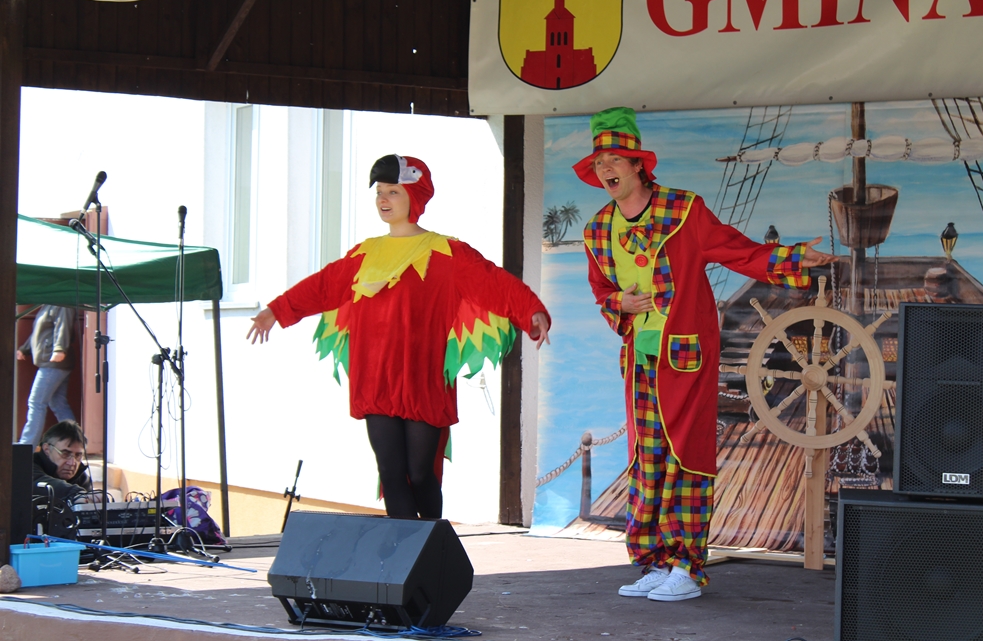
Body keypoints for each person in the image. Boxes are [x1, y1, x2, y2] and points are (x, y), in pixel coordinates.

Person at [573, 108, 837, 602]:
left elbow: (739, 252)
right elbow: (601, 289)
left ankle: (686, 567)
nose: (606, 168)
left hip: (686, 357)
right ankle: (654, 560)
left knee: (686, 458)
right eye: (599, 161)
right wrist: (619, 303)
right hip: (641, 363)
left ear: (637, 165)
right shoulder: (598, 229)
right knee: (646, 459)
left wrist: (793, 257)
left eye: (615, 159)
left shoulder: (682, 210)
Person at [248, 154, 550, 519]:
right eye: (379, 192)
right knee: (391, 473)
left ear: (415, 197)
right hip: (375, 379)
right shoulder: (365, 254)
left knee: (420, 474)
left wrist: (530, 310)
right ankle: (403, 551)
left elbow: (494, 282)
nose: (383, 199)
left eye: (393, 191)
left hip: (423, 380)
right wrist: (276, 310)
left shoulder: (447, 253)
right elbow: (322, 286)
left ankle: (431, 543)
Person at [17, 304, 77, 447]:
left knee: (36, 403)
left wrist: (59, 349)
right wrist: (25, 349)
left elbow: (63, 326)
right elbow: (39, 332)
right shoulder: (47, 305)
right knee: (58, 404)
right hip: (50, 362)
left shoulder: (62, 304)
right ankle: (76, 441)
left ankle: (27, 445)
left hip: (53, 363)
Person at [33, 420, 93, 504]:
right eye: (65, 454)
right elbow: (36, 481)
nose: (72, 463)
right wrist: (75, 493)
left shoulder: (82, 478)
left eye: (78, 455)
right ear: (46, 449)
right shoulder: (28, 466)